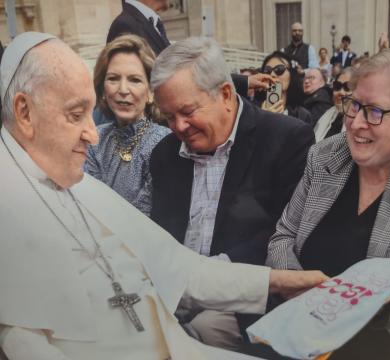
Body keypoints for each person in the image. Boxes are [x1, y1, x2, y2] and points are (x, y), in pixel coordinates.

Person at [0, 31, 328, 360]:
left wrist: (281, 280)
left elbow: (180, 269)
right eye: (75, 115)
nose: (92, 134)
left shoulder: (81, 186)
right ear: (24, 113)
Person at [266, 47, 390, 360]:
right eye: (354, 105)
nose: (355, 124)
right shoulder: (326, 154)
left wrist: (337, 310)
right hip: (294, 324)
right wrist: (302, 296)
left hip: (374, 340)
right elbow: (283, 235)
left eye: (374, 111)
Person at [148, 37, 315, 352]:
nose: (178, 126)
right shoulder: (165, 154)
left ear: (225, 94)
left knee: (195, 333)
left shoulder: (285, 139)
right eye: (169, 117)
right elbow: (161, 237)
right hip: (175, 292)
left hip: (244, 299)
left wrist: (210, 280)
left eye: (187, 111)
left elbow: (285, 233)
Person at [85, 35, 170, 216]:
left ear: (151, 92)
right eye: (113, 78)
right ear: (102, 89)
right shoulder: (94, 140)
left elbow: (144, 218)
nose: (123, 90)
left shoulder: (164, 143)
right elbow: (90, 205)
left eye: (135, 80)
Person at [258, 51, 311, 123]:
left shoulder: (302, 115)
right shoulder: (252, 110)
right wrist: (263, 119)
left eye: (279, 69)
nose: (272, 74)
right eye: (267, 71)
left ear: (291, 75)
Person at [314, 67, 354, 142]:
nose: (341, 92)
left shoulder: (359, 125)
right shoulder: (328, 115)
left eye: (347, 87)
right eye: (337, 86)